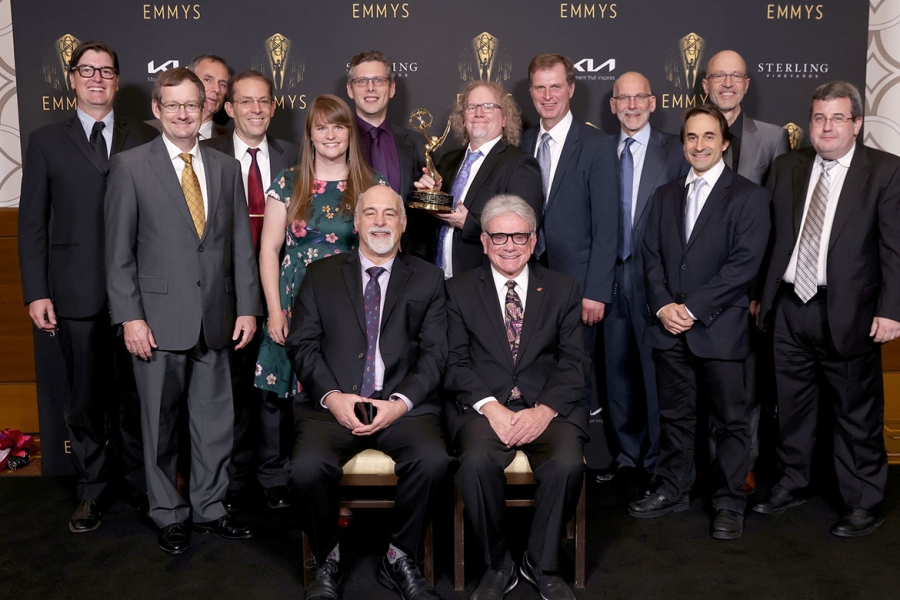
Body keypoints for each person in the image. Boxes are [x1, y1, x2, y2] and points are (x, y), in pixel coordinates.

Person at [105, 67, 261, 554]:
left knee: (214, 424)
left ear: (206, 109)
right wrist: (130, 317)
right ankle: (167, 513)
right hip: (154, 322)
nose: (182, 114)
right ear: (156, 110)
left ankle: (210, 508)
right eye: (171, 105)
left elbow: (239, 245)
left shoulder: (224, 167)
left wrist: (247, 308)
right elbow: (118, 253)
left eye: (191, 105)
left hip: (215, 317)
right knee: (158, 425)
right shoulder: (131, 166)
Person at [18, 39, 158, 533]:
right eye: (87, 70)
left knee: (137, 399)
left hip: (139, 295)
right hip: (74, 294)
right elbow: (32, 223)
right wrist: (36, 291)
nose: (97, 78)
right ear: (72, 80)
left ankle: (144, 488)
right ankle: (92, 490)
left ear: (118, 81)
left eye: (106, 71)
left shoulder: (147, 135)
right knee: (84, 399)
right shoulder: (44, 141)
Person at [285, 184, 451, 600]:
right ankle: (328, 557)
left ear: (404, 222)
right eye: (371, 213)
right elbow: (301, 345)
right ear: (356, 223)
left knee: (434, 461)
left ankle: (400, 554)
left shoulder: (429, 279)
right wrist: (333, 397)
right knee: (305, 468)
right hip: (335, 405)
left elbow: (436, 354)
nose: (380, 222)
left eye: (389, 214)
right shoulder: (321, 275)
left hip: (402, 407)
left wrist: (400, 404)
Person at [753, 81, 900, 537]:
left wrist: (891, 309)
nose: (827, 126)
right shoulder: (786, 166)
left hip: (851, 312)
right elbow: (772, 240)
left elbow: (895, 248)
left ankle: (863, 500)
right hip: (790, 308)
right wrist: (761, 295)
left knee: (856, 411)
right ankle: (794, 482)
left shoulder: (885, 171)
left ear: (857, 124)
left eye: (838, 117)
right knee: (792, 408)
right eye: (819, 117)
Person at [628, 105, 769, 541]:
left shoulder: (747, 195)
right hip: (668, 329)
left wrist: (692, 309)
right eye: (691, 137)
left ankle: (729, 501)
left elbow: (744, 265)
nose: (699, 145)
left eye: (709, 136)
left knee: (730, 422)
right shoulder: (666, 194)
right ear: (683, 142)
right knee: (675, 417)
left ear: (724, 142)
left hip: (720, 330)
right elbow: (650, 257)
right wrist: (663, 306)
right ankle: (673, 487)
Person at [444, 194, 587, 600]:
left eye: (519, 236)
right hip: (484, 409)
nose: (509, 245)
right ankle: (498, 561)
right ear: (484, 241)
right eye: (500, 237)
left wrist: (543, 411)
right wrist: (491, 408)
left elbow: (574, 362)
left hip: (548, 408)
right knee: (474, 463)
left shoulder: (562, 288)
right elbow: (453, 363)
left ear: (533, 240)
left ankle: (542, 563)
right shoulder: (458, 291)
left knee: (565, 463)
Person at [203, 70, 300, 513]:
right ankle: (234, 479)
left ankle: (275, 475)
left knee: (277, 390)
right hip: (225, 291)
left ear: (274, 106)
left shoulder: (297, 158)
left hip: (288, 291)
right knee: (234, 388)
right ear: (229, 107)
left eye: (263, 101)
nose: (256, 109)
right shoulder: (206, 156)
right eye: (245, 102)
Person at [702, 50, 791, 491]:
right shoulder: (690, 137)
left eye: (735, 76)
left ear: (747, 84)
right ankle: (705, 463)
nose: (727, 83)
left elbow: (779, 221)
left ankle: (743, 464)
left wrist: (761, 289)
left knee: (746, 382)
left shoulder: (773, 139)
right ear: (705, 84)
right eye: (719, 76)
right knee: (700, 377)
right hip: (698, 284)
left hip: (746, 285)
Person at [255, 94, 379, 401]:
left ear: (350, 132)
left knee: (341, 389)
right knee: (284, 405)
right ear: (310, 134)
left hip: (350, 301)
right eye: (322, 128)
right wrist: (274, 311)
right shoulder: (288, 182)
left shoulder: (372, 186)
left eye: (338, 127)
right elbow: (269, 250)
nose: (330, 135)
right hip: (293, 298)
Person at [600, 71, 688, 485]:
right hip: (609, 277)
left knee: (657, 373)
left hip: (657, 278)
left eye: (640, 98)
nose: (632, 106)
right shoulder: (600, 150)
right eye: (624, 99)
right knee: (616, 370)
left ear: (653, 103)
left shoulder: (676, 150)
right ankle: (627, 455)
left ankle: (658, 460)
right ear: (613, 105)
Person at [519, 53, 618, 409]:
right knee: (531, 371)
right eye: (540, 88)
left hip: (578, 288)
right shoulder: (522, 143)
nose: (548, 96)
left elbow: (608, 226)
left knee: (574, 374)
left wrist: (596, 292)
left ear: (571, 88)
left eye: (556, 87)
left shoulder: (598, 146)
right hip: (527, 281)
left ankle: (576, 456)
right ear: (531, 92)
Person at [413, 81, 543, 278]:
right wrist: (426, 198)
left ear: (505, 119)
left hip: (482, 283)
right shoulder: (448, 161)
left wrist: (469, 223)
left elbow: (524, 228)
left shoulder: (520, 164)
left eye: (488, 107)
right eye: (472, 107)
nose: (479, 113)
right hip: (437, 283)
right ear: (463, 119)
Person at [346, 50, 425, 201]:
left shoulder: (417, 144)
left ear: (392, 89)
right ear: (350, 90)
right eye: (362, 81)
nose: (370, 88)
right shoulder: (333, 142)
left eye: (379, 80)